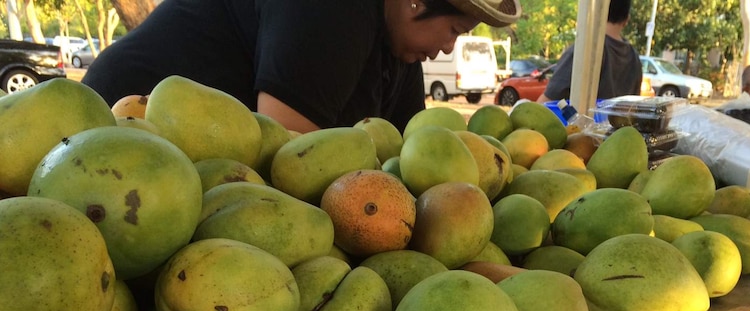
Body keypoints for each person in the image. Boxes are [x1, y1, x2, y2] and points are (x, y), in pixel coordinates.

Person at [81, 0, 521, 133]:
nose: (448, 49)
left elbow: (406, 152)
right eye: (455, 29)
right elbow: (293, 154)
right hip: (114, 132)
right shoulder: (332, 10)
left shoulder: (399, 50)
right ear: (417, 2)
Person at [537, 0, 641, 104]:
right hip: (620, 120)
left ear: (596, 12)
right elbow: (633, 106)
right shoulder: (634, 58)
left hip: (582, 120)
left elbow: (546, 103)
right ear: (626, 19)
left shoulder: (584, 50)